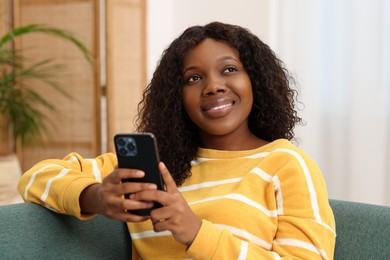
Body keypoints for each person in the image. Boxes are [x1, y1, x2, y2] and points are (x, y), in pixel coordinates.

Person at [18, 21, 336, 259]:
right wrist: (97, 197)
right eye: (193, 78)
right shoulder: (155, 166)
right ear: (176, 97)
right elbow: (36, 177)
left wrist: (196, 232)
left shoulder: (287, 164)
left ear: (255, 81)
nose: (213, 86)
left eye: (229, 69)